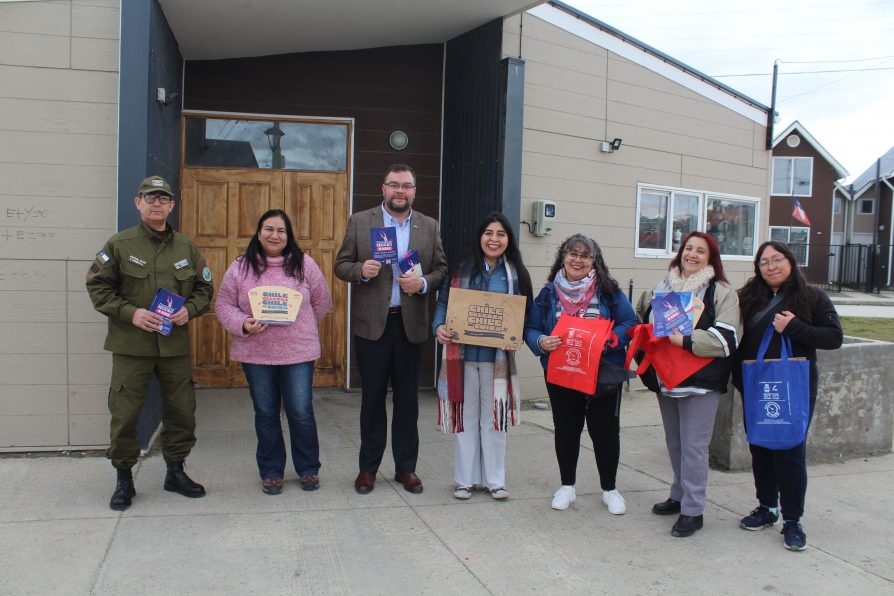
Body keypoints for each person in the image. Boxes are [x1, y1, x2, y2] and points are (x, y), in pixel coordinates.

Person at [86, 175, 213, 511]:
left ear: (171, 205)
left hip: (174, 349)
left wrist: (189, 310)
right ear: (137, 203)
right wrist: (131, 313)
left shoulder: (185, 247)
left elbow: (205, 290)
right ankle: (124, 479)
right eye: (150, 198)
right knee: (125, 413)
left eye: (163, 199)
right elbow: (98, 288)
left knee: (182, 411)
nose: (157, 203)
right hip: (132, 347)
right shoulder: (119, 245)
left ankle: (175, 471)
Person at [334, 164, 448, 494]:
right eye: (394, 185)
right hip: (372, 326)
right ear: (383, 188)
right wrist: (362, 270)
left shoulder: (429, 226)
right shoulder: (361, 221)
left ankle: (406, 469)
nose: (400, 191)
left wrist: (424, 282)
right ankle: (368, 469)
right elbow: (341, 265)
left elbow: (442, 269)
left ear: (414, 191)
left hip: (410, 325)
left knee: (407, 402)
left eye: (407, 186)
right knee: (372, 400)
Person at [732, 240, 842, 551]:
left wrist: (794, 327)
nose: (771, 266)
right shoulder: (749, 298)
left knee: (790, 451)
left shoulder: (812, 297)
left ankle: (792, 520)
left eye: (776, 259)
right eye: (764, 262)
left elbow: (834, 337)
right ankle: (768, 507)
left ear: (790, 261)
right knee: (761, 449)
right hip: (756, 386)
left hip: (795, 388)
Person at [215, 210, 332, 495]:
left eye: (281, 230)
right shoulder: (241, 267)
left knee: (301, 412)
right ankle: (271, 471)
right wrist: (243, 323)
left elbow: (323, 301)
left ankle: (308, 469)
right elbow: (223, 304)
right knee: (266, 412)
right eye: (269, 229)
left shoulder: (305, 265)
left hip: (298, 354)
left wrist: (299, 326)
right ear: (258, 232)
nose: (274, 235)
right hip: (256, 354)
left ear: (288, 236)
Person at [524, 234, 638, 514]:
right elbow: (531, 328)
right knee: (566, 430)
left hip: (602, 376)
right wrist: (540, 342)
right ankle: (567, 486)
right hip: (563, 372)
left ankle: (610, 489)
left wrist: (610, 339)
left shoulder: (609, 292)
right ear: (562, 257)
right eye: (572, 253)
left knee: (606, 433)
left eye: (585, 256)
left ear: (594, 262)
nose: (578, 259)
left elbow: (630, 322)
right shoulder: (549, 293)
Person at [637, 231, 741, 537]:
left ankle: (694, 510)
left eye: (701, 251)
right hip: (667, 378)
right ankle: (679, 493)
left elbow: (728, 337)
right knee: (675, 442)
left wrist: (683, 340)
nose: (692, 254)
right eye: (688, 248)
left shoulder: (722, 292)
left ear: (711, 259)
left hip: (700, 383)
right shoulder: (663, 285)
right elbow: (645, 318)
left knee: (694, 447)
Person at [432, 212, 533, 500]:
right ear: (480, 237)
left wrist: (519, 334)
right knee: (466, 418)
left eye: (500, 234)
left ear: (508, 240)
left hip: (496, 361)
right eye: (489, 233)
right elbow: (444, 303)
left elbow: (526, 314)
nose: (494, 239)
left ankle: (495, 481)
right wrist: (438, 326)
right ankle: (464, 480)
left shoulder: (516, 274)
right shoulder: (462, 268)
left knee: (494, 420)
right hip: (461, 358)